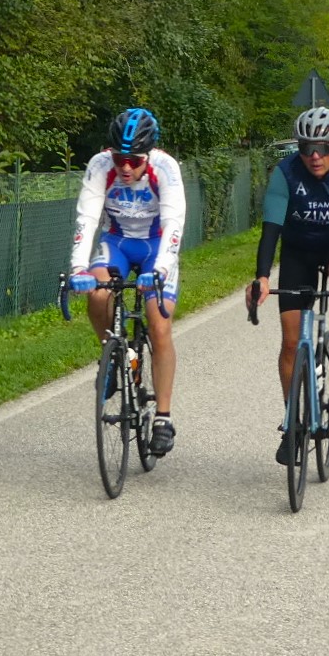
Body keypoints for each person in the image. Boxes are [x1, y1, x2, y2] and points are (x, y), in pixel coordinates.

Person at [246, 106, 329, 465]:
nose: (314, 156)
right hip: (298, 250)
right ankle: (293, 425)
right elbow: (271, 229)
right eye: (306, 148)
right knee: (289, 342)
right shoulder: (285, 174)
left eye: (323, 148)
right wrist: (263, 277)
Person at [67, 107, 188, 456]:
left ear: (147, 155)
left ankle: (163, 417)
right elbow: (86, 219)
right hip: (117, 241)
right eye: (119, 158)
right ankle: (114, 354)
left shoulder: (165, 169)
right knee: (97, 294)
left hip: (156, 246)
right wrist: (78, 269)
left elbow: (174, 224)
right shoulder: (100, 166)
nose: (125, 167)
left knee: (159, 323)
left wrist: (162, 270)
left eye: (133, 160)